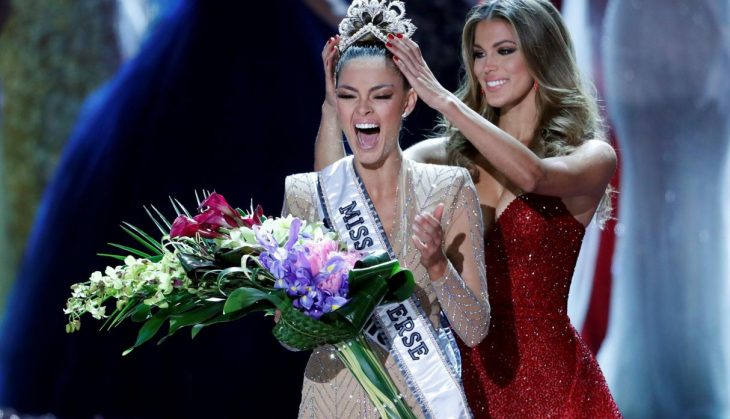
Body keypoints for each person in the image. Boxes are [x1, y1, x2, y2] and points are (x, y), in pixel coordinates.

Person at [314, 0, 622, 417]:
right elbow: (341, 194)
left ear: (542, 54)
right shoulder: (445, 157)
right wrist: (335, 107)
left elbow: (534, 177)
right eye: (478, 54)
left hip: (552, 389)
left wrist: (443, 100)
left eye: (504, 50)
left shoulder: (591, 156)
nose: (486, 67)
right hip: (455, 382)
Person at [282, 1, 490, 417]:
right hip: (331, 399)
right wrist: (303, 310)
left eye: (381, 96)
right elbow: (288, 336)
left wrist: (436, 266)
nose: (363, 110)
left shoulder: (448, 187)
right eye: (347, 96)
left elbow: (475, 329)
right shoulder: (305, 195)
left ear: (408, 102)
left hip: (424, 399)